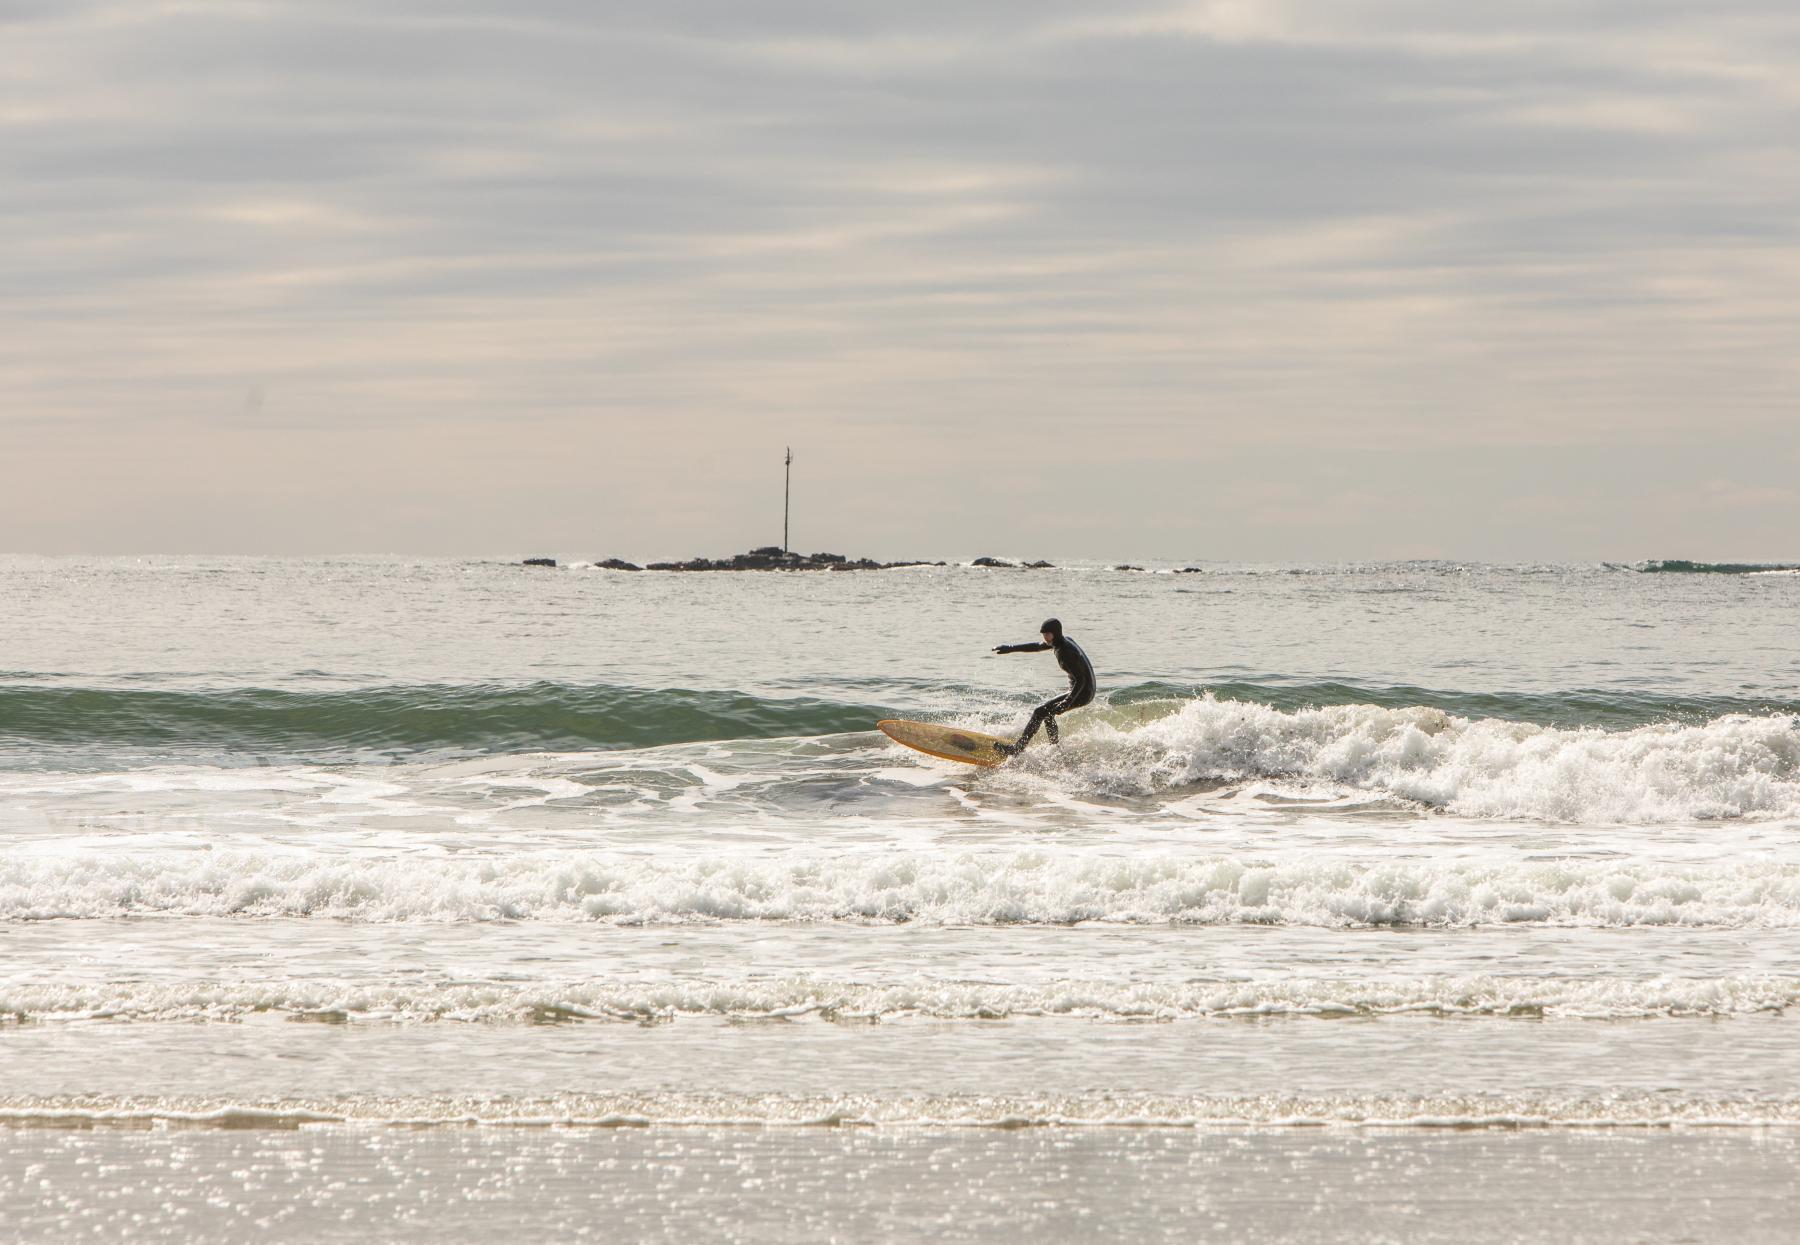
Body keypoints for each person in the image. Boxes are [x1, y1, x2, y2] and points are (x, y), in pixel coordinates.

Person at [991, 618, 1095, 755]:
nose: (1044, 637)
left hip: (1082, 692)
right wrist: (1010, 648)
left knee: (1039, 712)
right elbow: (1037, 646)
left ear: (1055, 634)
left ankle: (1018, 748)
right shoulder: (1060, 641)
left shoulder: (1065, 651)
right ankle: (1055, 748)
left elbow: (1081, 680)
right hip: (1081, 689)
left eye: (1047, 634)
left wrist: (1067, 701)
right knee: (1048, 713)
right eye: (1043, 634)